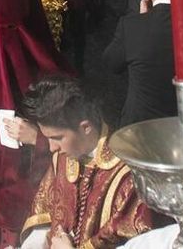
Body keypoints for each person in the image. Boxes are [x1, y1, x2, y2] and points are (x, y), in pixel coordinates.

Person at [18, 76, 156, 248]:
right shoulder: (60, 160)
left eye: (57, 138)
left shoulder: (129, 176)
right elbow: (45, 217)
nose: (52, 147)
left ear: (85, 127)